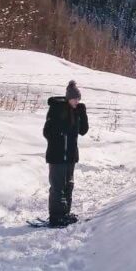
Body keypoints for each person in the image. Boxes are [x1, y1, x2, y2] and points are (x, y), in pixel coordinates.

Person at [43, 80, 89, 226]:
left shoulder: (76, 112)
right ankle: (56, 217)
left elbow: (83, 131)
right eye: (75, 99)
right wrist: (61, 135)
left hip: (70, 157)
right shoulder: (56, 109)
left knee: (68, 185)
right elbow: (47, 132)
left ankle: (65, 213)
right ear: (69, 98)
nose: (77, 101)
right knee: (57, 187)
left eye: (79, 99)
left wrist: (83, 113)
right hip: (57, 157)